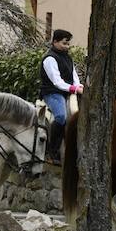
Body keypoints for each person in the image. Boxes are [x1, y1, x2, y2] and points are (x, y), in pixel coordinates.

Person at [39, 29, 83, 164]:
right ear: (55, 42)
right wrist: (74, 88)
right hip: (53, 93)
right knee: (61, 117)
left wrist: (79, 86)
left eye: (68, 44)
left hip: (69, 92)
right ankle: (52, 152)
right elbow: (56, 82)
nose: (67, 47)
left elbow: (74, 76)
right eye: (64, 43)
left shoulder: (68, 58)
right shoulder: (50, 59)